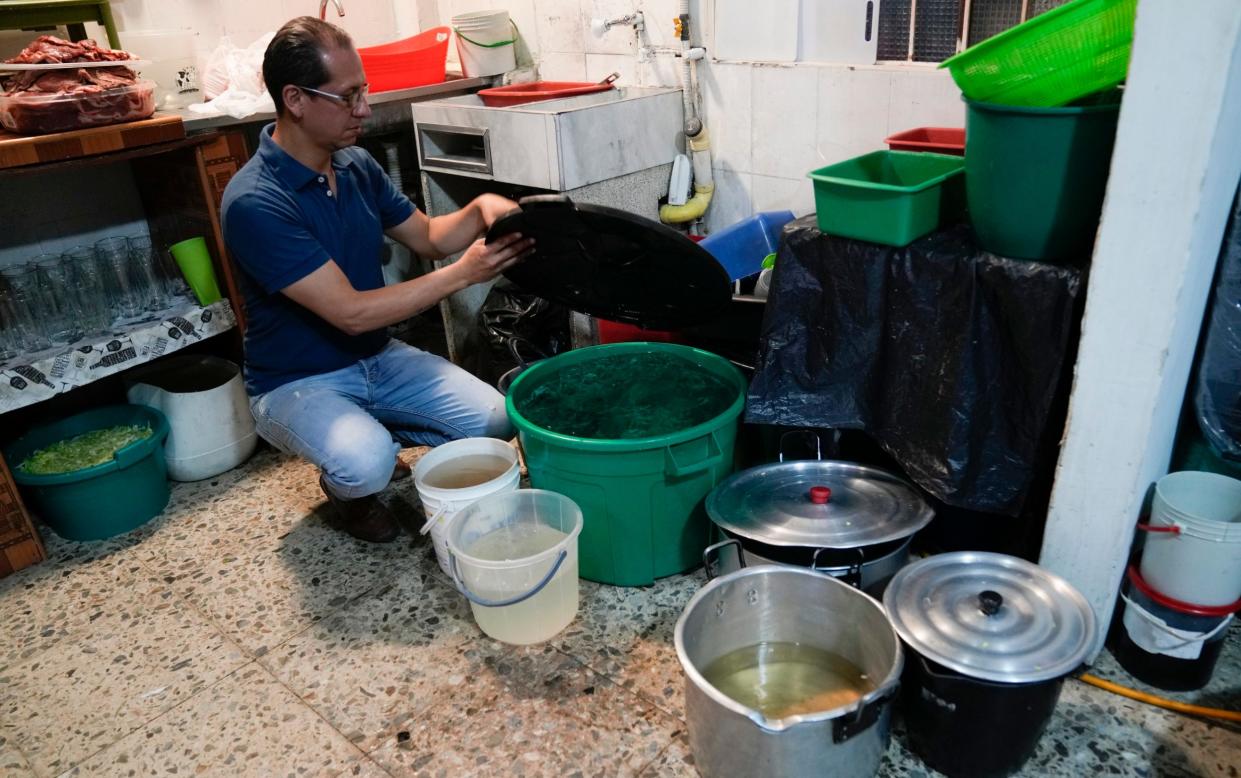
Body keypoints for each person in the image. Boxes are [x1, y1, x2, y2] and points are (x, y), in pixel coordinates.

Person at [221, 16, 533, 543]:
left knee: (494, 420)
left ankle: (370, 433)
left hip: (375, 358)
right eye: (348, 97)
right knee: (365, 463)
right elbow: (350, 312)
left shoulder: (356, 165)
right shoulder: (255, 200)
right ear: (295, 100)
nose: (364, 109)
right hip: (294, 381)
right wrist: (465, 273)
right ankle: (349, 484)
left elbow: (430, 236)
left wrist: (480, 209)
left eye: (363, 91)